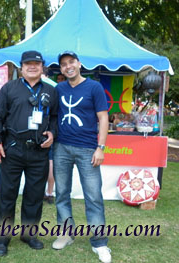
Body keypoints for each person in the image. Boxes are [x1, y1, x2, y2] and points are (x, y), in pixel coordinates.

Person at [0, 50, 58, 256]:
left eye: (36, 63)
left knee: (34, 196)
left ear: (42, 66)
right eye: (28, 64)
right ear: (21, 67)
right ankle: (2, 240)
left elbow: (54, 117)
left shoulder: (50, 91)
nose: (32, 67)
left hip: (39, 152)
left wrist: (52, 133)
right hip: (13, 150)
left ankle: (29, 235)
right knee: (6, 196)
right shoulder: (9, 88)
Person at [52, 51, 111, 263]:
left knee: (93, 196)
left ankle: (99, 242)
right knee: (62, 194)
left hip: (88, 150)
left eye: (71, 62)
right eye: (64, 64)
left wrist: (100, 147)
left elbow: (103, 118)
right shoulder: (59, 89)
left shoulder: (94, 87)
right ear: (61, 69)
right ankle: (66, 234)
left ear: (79, 64)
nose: (68, 66)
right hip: (61, 148)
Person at [41, 67, 56, 204]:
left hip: (39, 129)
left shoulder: (36, 85)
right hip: (53, 129)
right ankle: (49, 192)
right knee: (51, 161)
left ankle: (39, 191)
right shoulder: (56, 86)